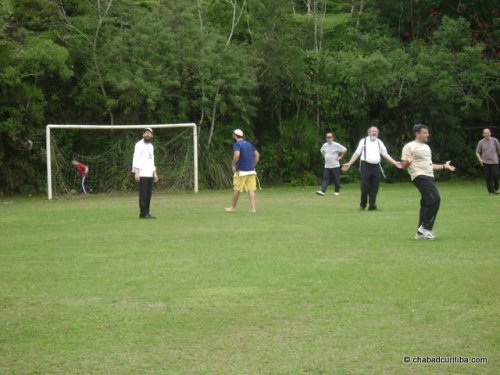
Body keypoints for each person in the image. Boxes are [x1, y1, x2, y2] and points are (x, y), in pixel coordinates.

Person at [400, 124, 456, 240]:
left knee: (426, 202)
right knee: (435, 198)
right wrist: (408, 162)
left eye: (427, 132)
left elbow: (430, 165)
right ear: (417, 134)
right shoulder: (409, 146)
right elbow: (403, 166)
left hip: (429, 176)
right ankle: (426, 228)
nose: (428, 134)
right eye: (425, 132)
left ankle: (420, 233)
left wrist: (444, 167)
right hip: (419, 175)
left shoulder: (426, 147)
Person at [341, 126, 402, 210]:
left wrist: (395, 162)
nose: (374, 133)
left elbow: (385, 154)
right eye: (372, 131)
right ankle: (362, 205)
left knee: (374, 187)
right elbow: (356, 153)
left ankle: (372, 206)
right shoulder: (363, 141)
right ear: (368, 132)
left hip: (376, 166)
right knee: (365, 186)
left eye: (375, 131)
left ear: (378, 133)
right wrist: (349, 163)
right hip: (365, 165)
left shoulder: (379, 142)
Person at [225, 129, 260, 213]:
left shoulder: (237, 144)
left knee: (237, 189)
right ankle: (253, 209)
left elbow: (237, 155)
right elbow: (257, 155)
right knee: (251, 190)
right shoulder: (248, 144)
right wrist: (253, 165)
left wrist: (233, 165)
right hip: (251, 171)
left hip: (241, 172)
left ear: (234, 135)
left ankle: (233, 208)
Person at [132, 127, 159, 219]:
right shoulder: (138, 145)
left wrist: (154, 173)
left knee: (148, 194)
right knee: (143, 194)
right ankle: (143, 213)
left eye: (149, 133)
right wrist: (136, 172)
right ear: (143, 135)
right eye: (146, 133)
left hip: (149, 173)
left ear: (152, 135)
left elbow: (152, 160)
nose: (147, 134)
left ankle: (147, 212)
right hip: (142, 173)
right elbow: (136, 159)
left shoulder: (151, 146)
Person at [316, 132, 347, 196]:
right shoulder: (324, 145)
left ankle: (336, 191)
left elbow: (345, 149)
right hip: (327, 166)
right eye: (328, 137)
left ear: (332, 138)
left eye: (330, 137)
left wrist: (340, 157)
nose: (329, 138)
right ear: (326, 138)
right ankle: (322, 191)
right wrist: (325, 157)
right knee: (325, 178)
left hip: (335, 165)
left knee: (336, 179)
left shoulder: (336, 145)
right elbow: (321, 151)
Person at [475, 128, 500, 195]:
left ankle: (496, 188)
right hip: (485, 162)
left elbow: (498, 150)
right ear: (483, 134)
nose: (487, 134)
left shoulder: (495, 140)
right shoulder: (481, 142)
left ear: (490, 133)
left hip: (494, 162)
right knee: (487, 177)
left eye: (488, 133)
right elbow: (477, 152)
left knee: (495, 175)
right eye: (485, 133)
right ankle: (491, 192)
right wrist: (480, 159)